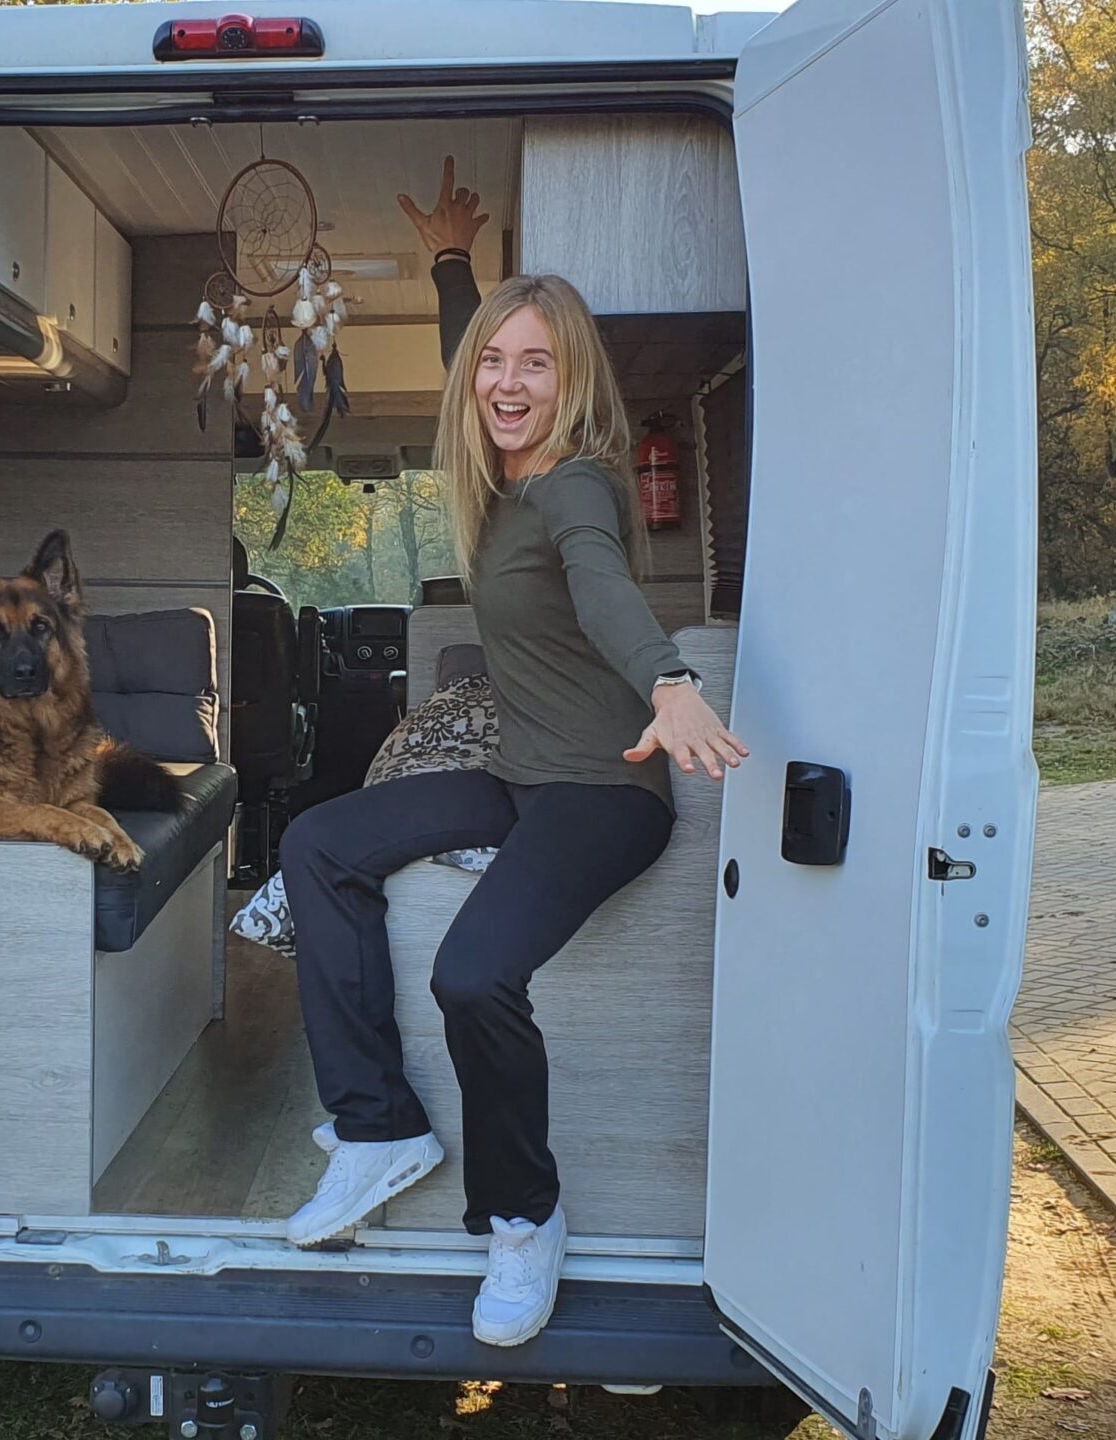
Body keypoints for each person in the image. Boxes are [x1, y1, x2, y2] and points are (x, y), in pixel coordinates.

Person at [274, 159, 747, 1348]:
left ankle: (525, 1220)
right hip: (524, 772)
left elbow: (603, 595)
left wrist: (671, 680)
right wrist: (452, 273)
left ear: (571, 376)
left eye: (535, 361)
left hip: (604, 794)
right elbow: (467, 366)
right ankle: (378, 1126)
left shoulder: (576, 489)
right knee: (316, 842)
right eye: (495, 359)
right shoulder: (503, 462)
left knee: (474, 974)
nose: (504, 379)